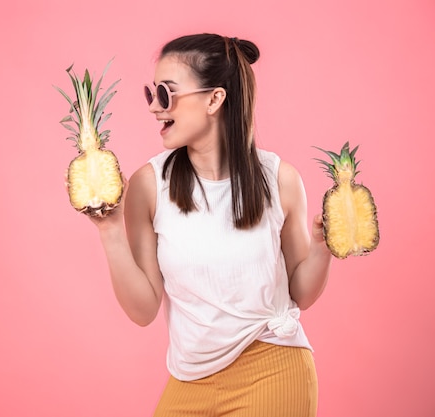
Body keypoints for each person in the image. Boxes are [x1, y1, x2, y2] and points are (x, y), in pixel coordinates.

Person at [88, 33, 332, 416]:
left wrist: (322, 249)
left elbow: (300, 293)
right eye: (151, 94)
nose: (155, 108)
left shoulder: (279, 179)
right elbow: (143, 310)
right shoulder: (149, 185)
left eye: (166, 94)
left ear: (214, 99)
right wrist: (110, 230)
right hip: (189, 378)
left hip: (272, 368)